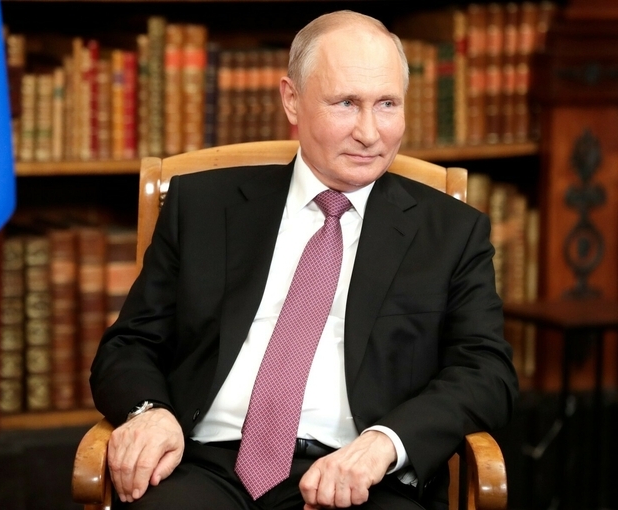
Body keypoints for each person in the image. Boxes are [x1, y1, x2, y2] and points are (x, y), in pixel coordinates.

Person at [90, 10, 518, 510]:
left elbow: (486, 373)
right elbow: (130, 343)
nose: (369, 132)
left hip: (361, 480)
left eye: (387, 104)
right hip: (204, 466)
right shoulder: (203, 207)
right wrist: (149, 411)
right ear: (292, 100)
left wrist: (385, 443)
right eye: (346, 104)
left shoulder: (451, 232)